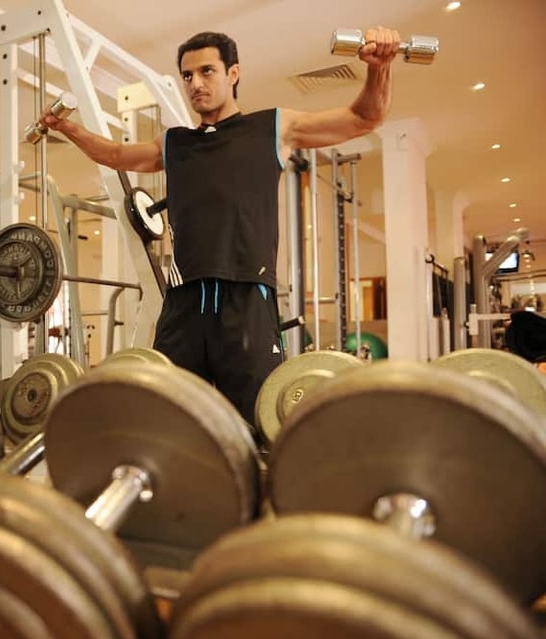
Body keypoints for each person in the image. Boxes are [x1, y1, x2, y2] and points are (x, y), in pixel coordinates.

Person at [41, 27, 400, 440]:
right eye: (187, 75)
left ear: (233, 73)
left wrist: (380, 68)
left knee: (260, 423)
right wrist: (67, 127)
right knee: (164, 418)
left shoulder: (273, 128)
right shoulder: (175, 143)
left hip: (245, 298)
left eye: (206, 71)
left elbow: (364, 118)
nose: (195, 83)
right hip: (184, 303)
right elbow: (116, 155)